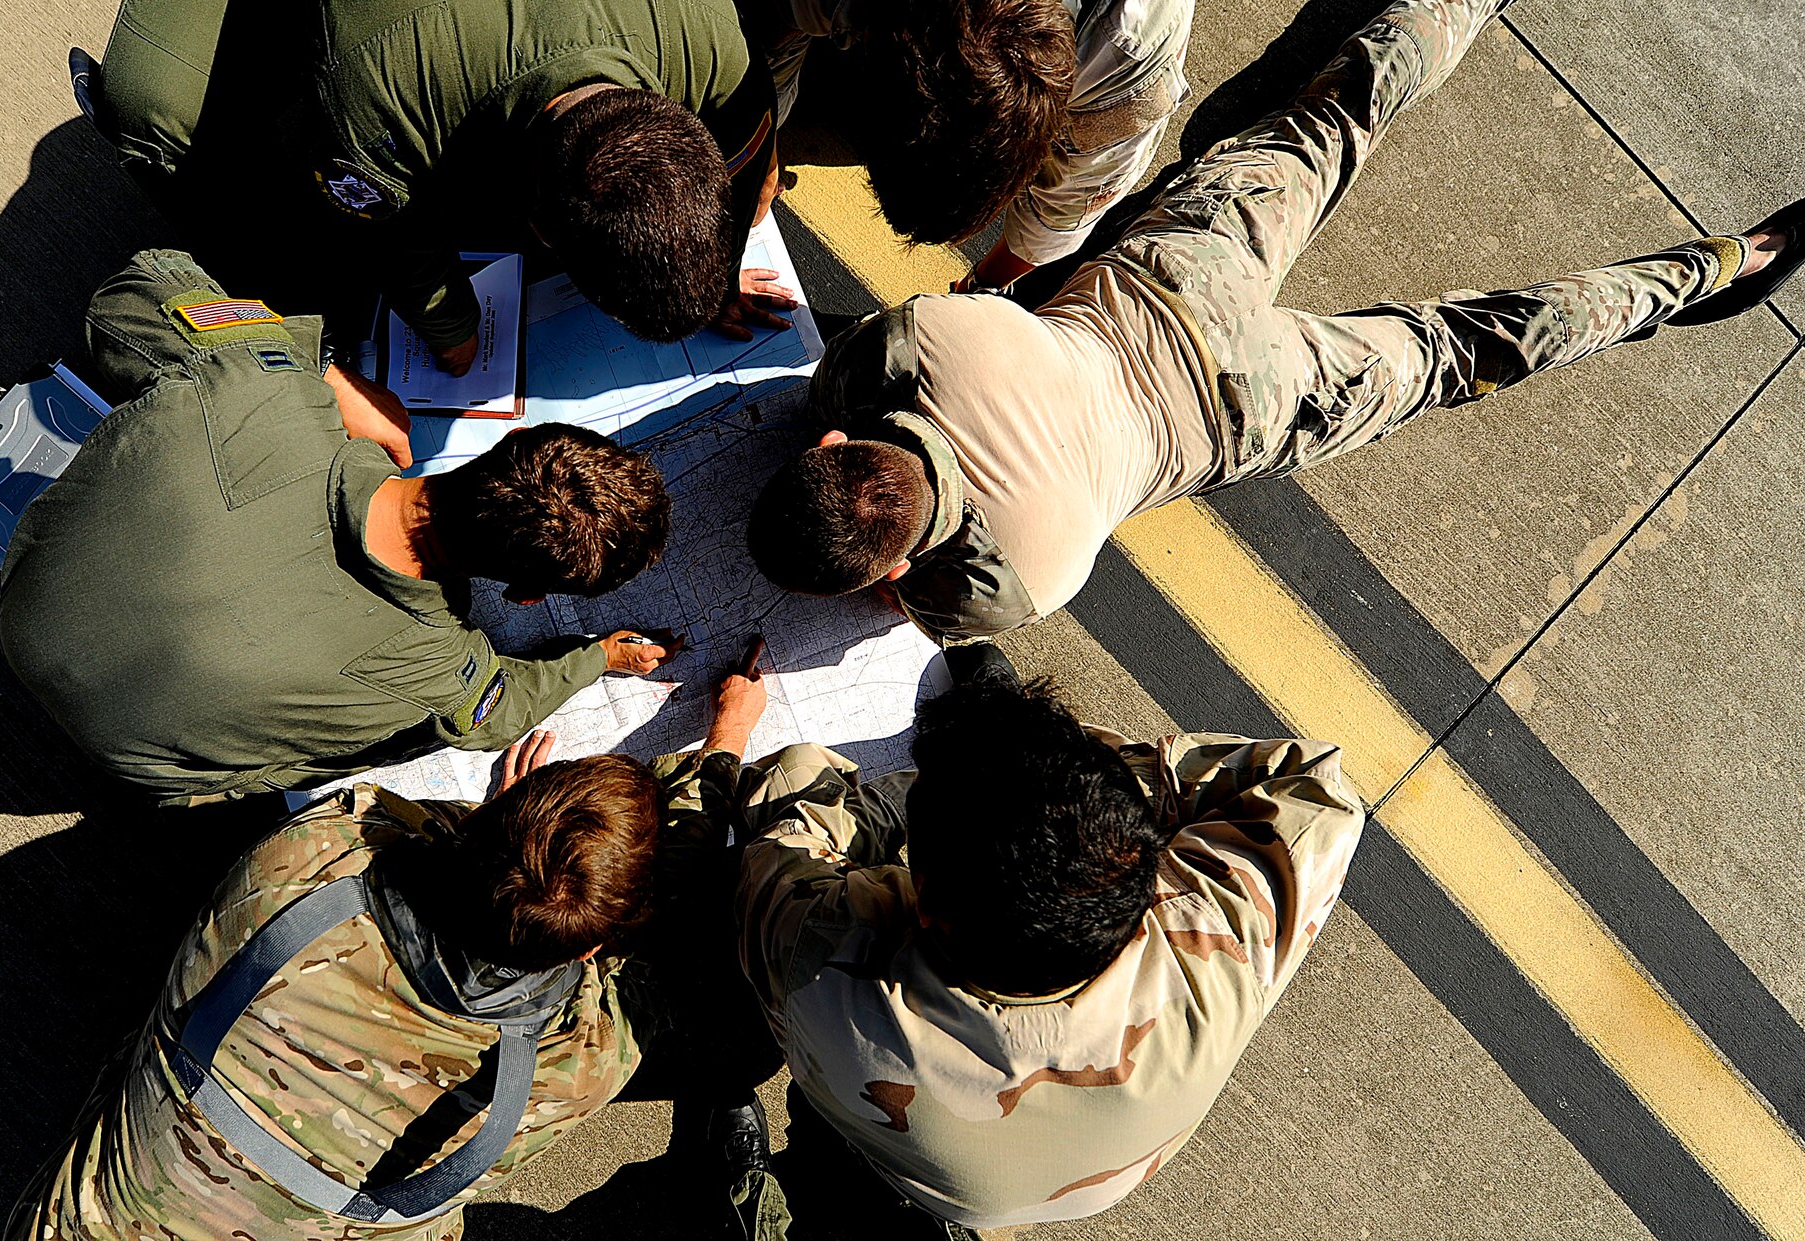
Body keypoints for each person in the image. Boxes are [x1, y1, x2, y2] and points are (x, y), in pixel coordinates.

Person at [747, 0, 1803, 643]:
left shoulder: (1011, 581)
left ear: (891, 568)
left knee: (1459, 347)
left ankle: (1716, 267)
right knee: (1339, 108)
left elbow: (925, 604)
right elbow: (848, 378)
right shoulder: (925, 339)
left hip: (1239, 410)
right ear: (836, 443)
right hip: (1172, 274)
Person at [5, 667, 779, 1241]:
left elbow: (386, 821)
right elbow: (669, 944)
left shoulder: (303, 865)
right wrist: (721, 754)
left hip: (71, 1228)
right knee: (735, 1037)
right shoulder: (572, 1066)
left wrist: (496, 822)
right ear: (601, 945)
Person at [0, 250, 678, 803]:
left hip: (24, 589)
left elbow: (125, 294)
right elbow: (494, 712)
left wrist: (314, 372)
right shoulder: (441, 670)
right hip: (122, 752)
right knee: (399, 736)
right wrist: (599, 656)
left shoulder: (258, 387)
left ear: (503, 445)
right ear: (526, 596)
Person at [731, 665, 1366, 1235]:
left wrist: (894, 800)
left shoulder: (822, 956)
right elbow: (1314, 786)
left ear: (923, 901)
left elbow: (780, 841)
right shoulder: (1220, 947)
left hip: (877, 1119)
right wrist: (1087, 793)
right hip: (1004, 1192)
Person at [80, 0, 788, 360]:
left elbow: (754, 154)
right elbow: (396, 241)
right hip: (381, 41)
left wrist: (711, 274)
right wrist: (451, 328)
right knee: (157, 110)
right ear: (539, 225)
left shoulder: (713, 40)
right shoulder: (381, 106)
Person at [739, 0, 1194, 290]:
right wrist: (759, 155)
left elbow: (1061, 214)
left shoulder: (1127, 64)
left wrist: (978, 286)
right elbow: (774, 20)